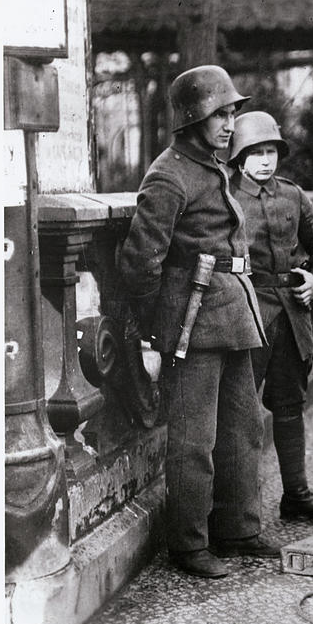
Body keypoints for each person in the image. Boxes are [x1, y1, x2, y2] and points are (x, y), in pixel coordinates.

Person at [118, 65, 281, 578]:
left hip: (231, 311)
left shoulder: (210, 165)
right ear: (192, 118)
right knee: (193, 439)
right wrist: (153, 325)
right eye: (220, 113)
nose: (231, 123)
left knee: (243, 429)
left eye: (232, 111)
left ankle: (239, 527)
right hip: (191, 320)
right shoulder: (168, 174)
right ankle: (189, 545)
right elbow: (141, 260)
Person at [227, 111, 313, 525]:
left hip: (292, 315)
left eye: (271, 151)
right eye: (255, 152)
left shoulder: (293, 195)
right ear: (238, 156)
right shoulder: (225, 196)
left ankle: (296, 495)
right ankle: (234, 513)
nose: (264, 160)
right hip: (244, 312)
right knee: (240, 414)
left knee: (291, 404)